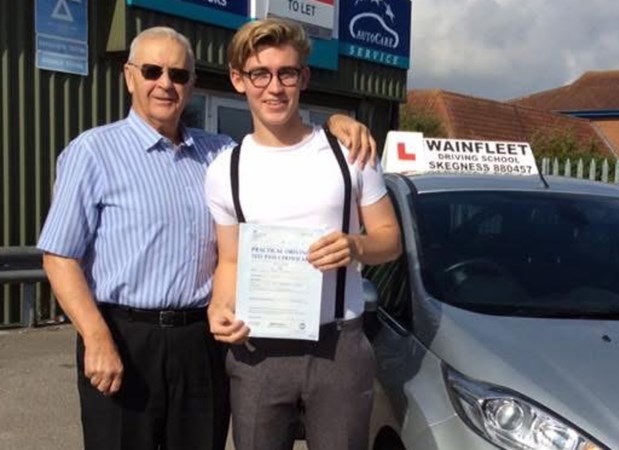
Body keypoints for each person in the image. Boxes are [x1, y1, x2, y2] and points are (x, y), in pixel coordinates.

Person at [37, 26, 377, 450]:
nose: (165, 84)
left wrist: (338, 125)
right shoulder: (92, 152)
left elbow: (279, 138)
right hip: (124, 338)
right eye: (152, 71)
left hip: (201, 343)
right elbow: (59, 257)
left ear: (192, 84)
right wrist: (96, 337)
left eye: (179, 75)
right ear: (129, 77)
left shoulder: (218, 154)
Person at [203, 18, 402, 450]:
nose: (274, 88)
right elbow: (231, 260)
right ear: (238, 80)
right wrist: (219, 306)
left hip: (338, 345)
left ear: (304, 78)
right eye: (260, 74)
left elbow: (390, 238)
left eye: (286, 73)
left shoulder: (350, 152)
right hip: (258, 349)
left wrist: (356, 245)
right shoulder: (224, 169)